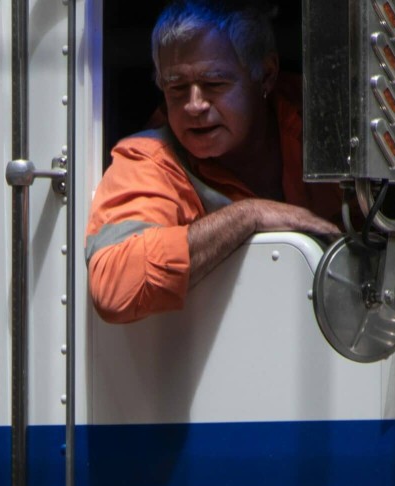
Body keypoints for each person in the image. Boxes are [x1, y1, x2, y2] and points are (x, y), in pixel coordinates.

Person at [86, 0, 342, 324]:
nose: (194, 105)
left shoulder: (330, 122)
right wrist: (248, 215)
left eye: (214, 84)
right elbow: (114, 285)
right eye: (177, 87)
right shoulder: (148, 158)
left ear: (265, 75)